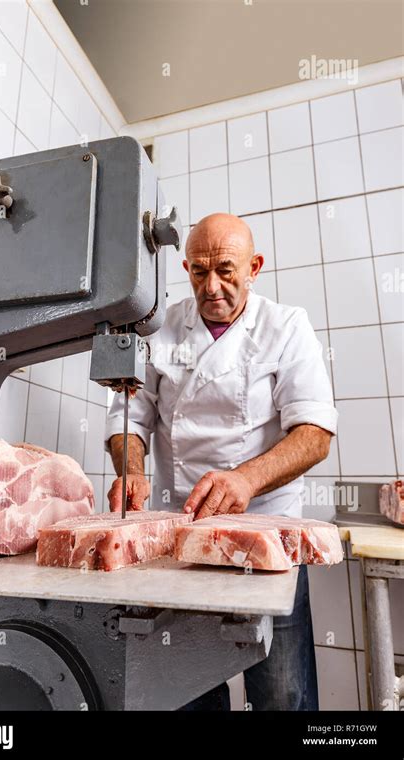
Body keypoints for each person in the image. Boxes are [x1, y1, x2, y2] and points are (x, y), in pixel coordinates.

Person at [105, 213, 337, 710]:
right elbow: (130, 415)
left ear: (254, 266)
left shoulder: (286, 326)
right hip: (181, 535)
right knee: (187, 688)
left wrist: (247, 479)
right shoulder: (163, 329)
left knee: (282, 692)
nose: (211, 288)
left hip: (266, 538)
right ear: (185, 268)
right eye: (198, 272)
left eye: (226, 271)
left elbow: (315, 434)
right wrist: (131, 469)